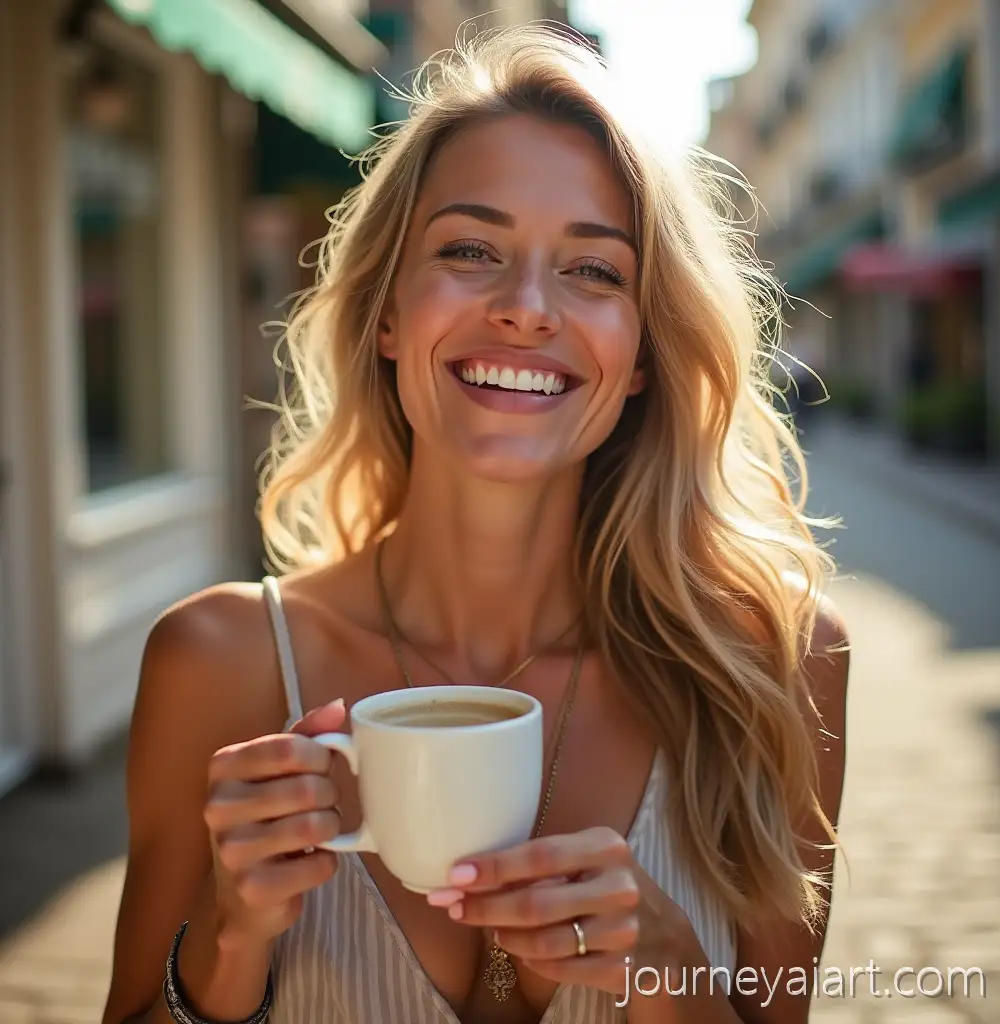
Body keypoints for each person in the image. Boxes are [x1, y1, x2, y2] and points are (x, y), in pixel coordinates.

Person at [102, 23, 849, 1024]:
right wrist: (229, 936)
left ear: (638, 358)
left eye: (594, 270)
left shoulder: (778, 665)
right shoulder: (218, 659)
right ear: (385, 313)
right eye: (469, 249)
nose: (527, 307)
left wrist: (669, 974)